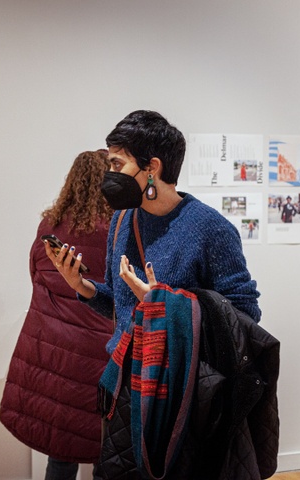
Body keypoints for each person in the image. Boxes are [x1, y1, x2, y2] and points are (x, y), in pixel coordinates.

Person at [47, 110, 261, 478]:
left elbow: (244, 315)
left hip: (179, 388)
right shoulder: (122, 221)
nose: (109, 173)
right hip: (123, 384)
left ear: (152, 168)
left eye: (117, 162)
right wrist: (81, 286)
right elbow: (121, 303)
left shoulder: (211, 229)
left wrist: (165, 305)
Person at [0, 150, 114, 480]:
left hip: (52, 351)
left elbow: (35, 273)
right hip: (98, 355)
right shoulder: (115, 232)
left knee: (60, 452)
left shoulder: (50, 226)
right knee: (104, 455)